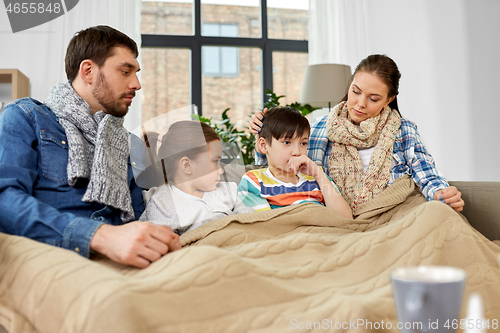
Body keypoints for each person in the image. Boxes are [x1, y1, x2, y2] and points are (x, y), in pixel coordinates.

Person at [0, 25, 181, 268]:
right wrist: (100, 236)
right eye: (126, 71)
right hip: (55, 261)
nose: (137, 84)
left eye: (136, 73)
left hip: (124, 263)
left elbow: (139, 217)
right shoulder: (27, 117)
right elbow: (4, 200)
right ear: (88, 71)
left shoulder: (129, 143)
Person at [250, 54, 464, 214]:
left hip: (394, 212)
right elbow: (279, 162)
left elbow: (426, 173)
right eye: (356, 91)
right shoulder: (318, 128)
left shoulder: (402, 129)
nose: (360, 104)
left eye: (373, 98)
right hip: (341, 217)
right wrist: (263, 130)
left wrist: (441, 194)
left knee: (438, 218)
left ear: (389, 100)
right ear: (350, 84)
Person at [139, 121, 254, 234]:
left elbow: (252, 222)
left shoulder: (226, 190)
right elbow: (161, 244)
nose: (221, 170)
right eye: (215, 161)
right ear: (187, 166)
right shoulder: (163, 204)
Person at [239, 107, 353, 219]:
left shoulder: (317, 177)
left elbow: (345, 219)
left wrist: (319, 175)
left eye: (303, 143)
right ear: (263, 145)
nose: (297, 152)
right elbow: (267, 226)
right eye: (287, 142)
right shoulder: (254, 182)